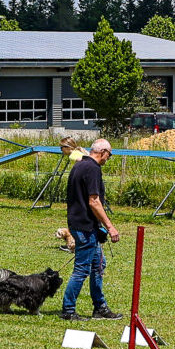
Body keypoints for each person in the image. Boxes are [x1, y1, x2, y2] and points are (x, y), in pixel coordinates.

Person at [61, 137, 122, 320]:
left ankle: (100, 308)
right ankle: (68, 310)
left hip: (81, 223)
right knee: (81, 270)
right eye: (109, 155)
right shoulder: (92, 169)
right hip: (85, 226)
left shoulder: (79, 165)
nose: (108, 159)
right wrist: (110, 227)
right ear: (102, 152)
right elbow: (94, 201)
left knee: (98, 265)